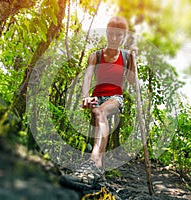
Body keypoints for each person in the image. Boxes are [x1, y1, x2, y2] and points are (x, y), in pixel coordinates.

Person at [73, 16, 137, 185]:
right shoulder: (95, 56)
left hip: (115, 97)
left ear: (123, 37)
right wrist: (86, 97)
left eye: (119, 35)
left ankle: (93, 161)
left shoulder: (126, 57)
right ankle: (97, 170)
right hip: (97, 96)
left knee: (101, 112)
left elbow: (131, 80)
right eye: (111, 34)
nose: (115, 39)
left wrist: (133, 59)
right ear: (107, 34)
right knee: (97, 119)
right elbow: (87, 78)